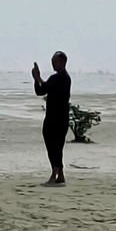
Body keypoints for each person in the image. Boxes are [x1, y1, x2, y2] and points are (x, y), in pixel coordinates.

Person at [32, 51, 71, 186]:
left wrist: (37, 78)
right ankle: (60, 173)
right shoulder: (63, 78)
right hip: (60, 117)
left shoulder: (60, 78)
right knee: (57, 145)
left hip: (55, 118)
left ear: (62, 62)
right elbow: (43, 89)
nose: (53, 64)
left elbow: (43, 89)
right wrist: (37, 79)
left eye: (55, 61)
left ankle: (55, 173)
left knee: (54, 145)